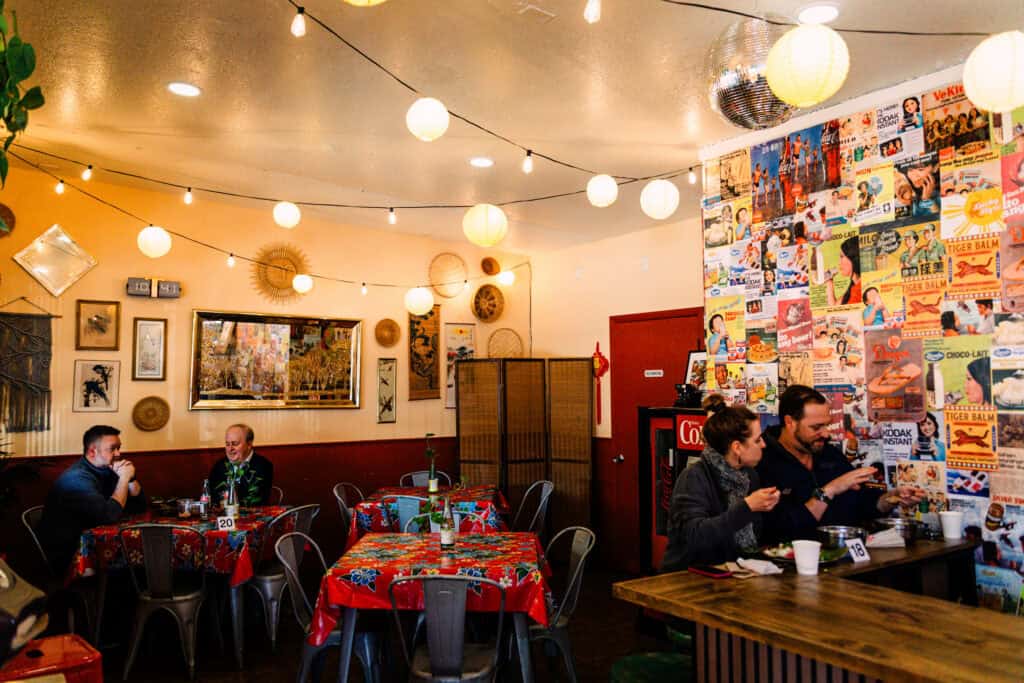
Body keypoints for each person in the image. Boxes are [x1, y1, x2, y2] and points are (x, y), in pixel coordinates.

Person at [756, 385, 924, 542]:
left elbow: (860, 502)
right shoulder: (762, 462)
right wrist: (830, 490)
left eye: (827, 425)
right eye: (816, 427)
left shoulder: (828, 453)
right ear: (790, 422)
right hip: (792, 565)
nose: (826, 434)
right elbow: (779, 529)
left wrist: (891, 498)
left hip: (846, 556)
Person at [661, 397, 780, 571]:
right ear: (737, 447)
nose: (763, 444)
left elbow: (755, 536)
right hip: (690, 576)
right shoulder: (694, 477)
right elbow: (694, 536)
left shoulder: (749, 475)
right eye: (757, 439)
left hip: (736, 573)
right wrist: (747, 507)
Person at [37, 425, 146, 574]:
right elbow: (110, 515)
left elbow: (139, 507)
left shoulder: (107, 469)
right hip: (71, 555)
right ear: (92, 451)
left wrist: (131, 479)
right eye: (112, 448)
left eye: (119, 448)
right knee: (144, 564)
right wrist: (124, 478)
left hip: (99, 545)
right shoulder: (77, 479)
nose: (118, 453)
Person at [208, 424, 274, 507]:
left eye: (235, 444)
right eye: (227, 444)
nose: (230, 449)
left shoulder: (263, 466)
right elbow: (212, 497)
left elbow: (257, 500)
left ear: (249, 444)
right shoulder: (219, 466)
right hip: (224, 516)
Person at [826, 236, 861, 306]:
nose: (839, 262)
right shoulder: (854, 285)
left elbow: (836, 312)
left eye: (842, 257)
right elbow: (834, 307)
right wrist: (829, 282)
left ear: (852, 258)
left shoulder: (859, 288)